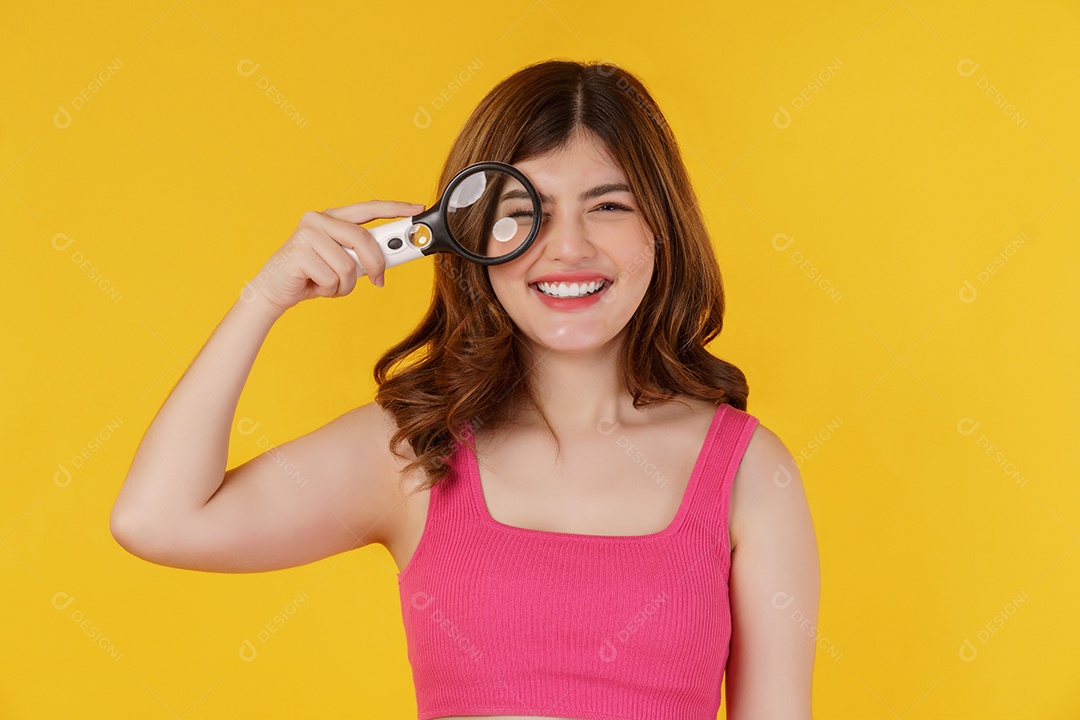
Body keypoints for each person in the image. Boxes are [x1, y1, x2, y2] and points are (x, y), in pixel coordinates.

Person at [110, 59, 820, 720]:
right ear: (467, 235)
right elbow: (158, 520)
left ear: (662, 231)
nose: (568, 247)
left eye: (608, 206)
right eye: (525, 211)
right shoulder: (416, 452)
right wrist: (262, 298)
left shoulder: (749, 470)